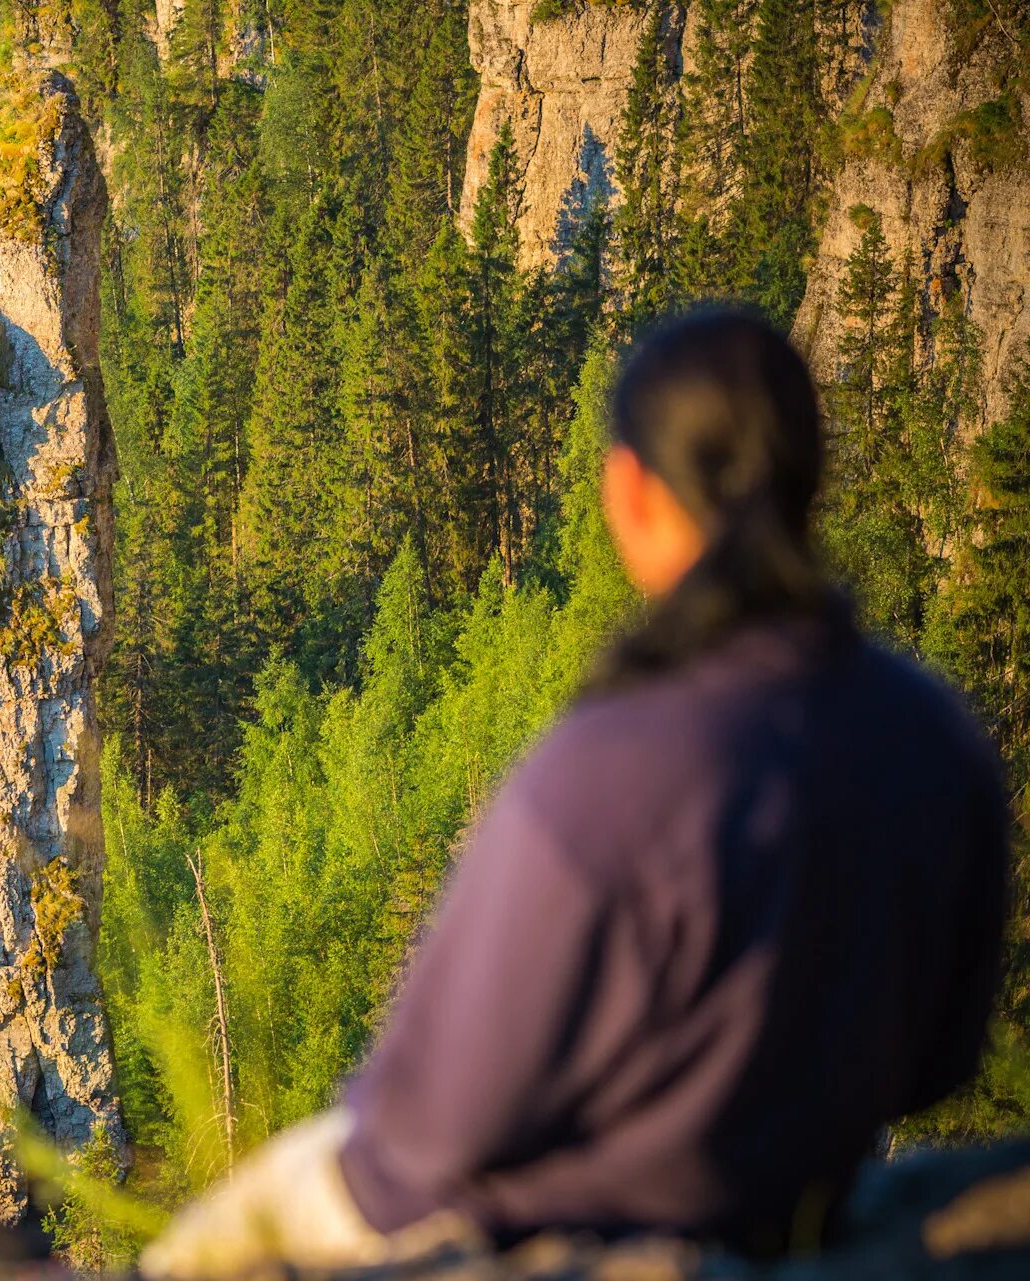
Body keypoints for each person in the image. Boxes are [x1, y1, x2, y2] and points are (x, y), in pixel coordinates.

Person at [140, 307, 1010, 1277]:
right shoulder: (936, 735)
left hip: (533, 1224)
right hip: (793, 1204)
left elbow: (437, 1127)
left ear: (630, 492)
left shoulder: (609, 771)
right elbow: (941, 1064)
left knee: (229, 1229)